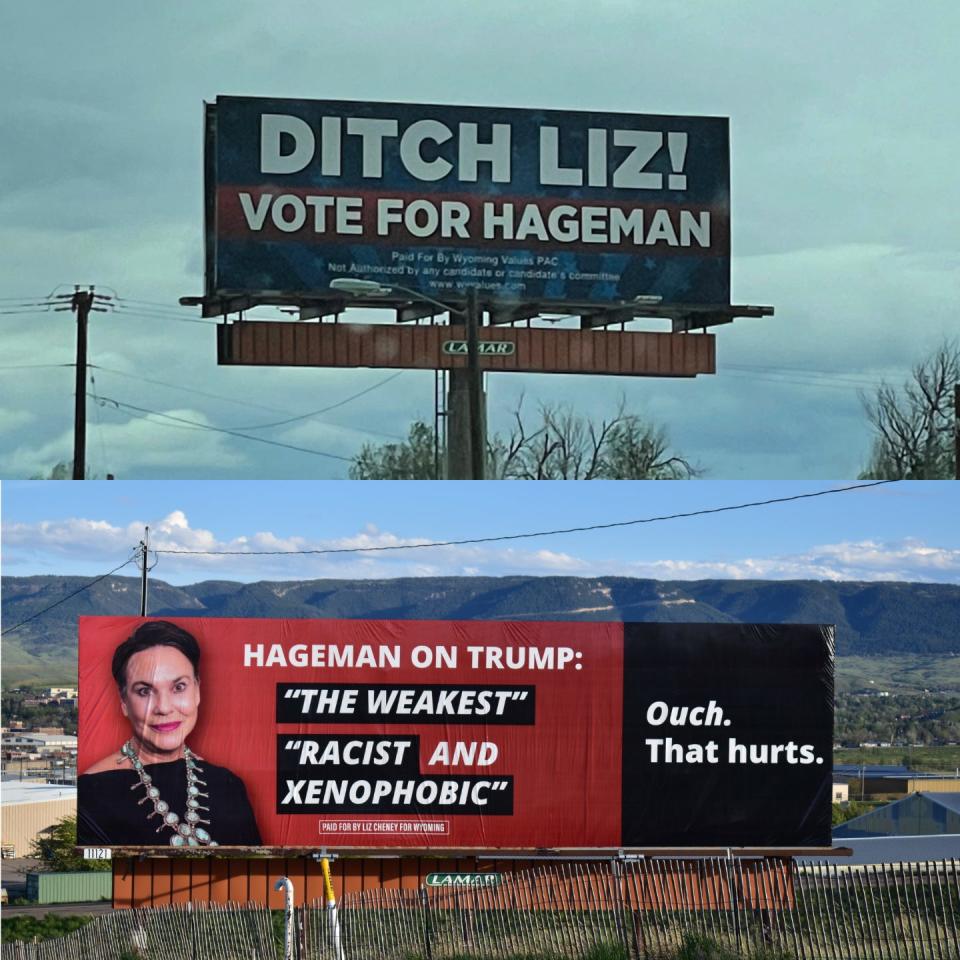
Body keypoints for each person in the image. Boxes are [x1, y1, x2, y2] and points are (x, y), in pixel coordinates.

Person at [78, 620, 261, 847]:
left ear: (197, 690)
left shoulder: (228, 785)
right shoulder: (90, 793)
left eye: (179, 687)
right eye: (144, 691)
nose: (163, 707)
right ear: (124, 701)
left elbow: (255, 873)